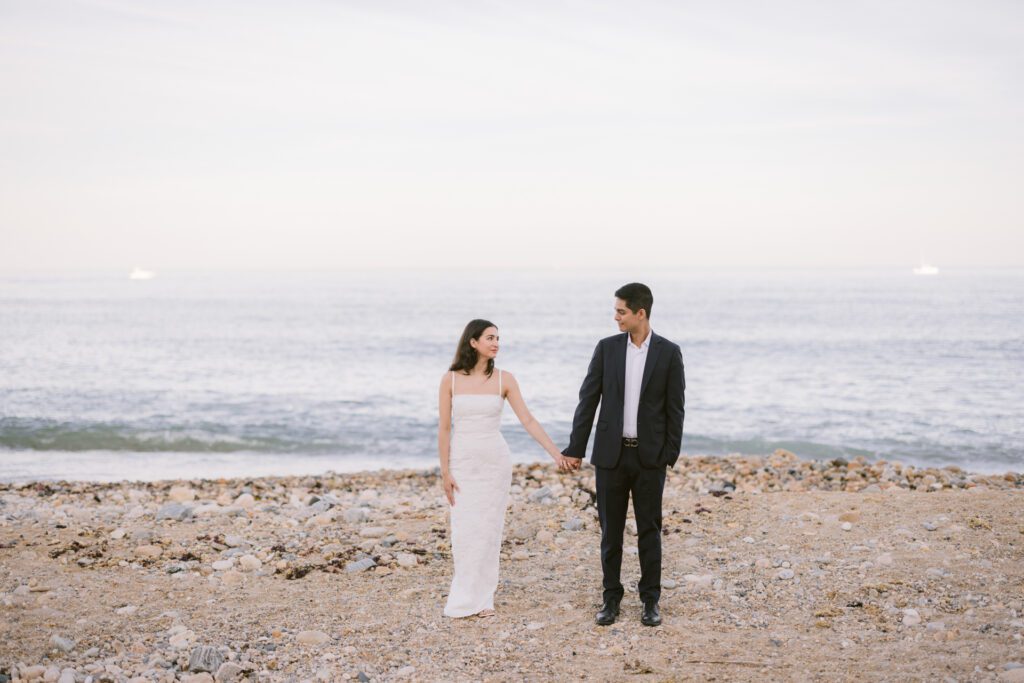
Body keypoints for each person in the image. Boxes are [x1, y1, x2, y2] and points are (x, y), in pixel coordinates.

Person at [562, 283, 685, 627]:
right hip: (610, 457)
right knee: (610, 532)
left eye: (621, 311)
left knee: (649, 530)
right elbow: (588, 400)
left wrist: (668, 455)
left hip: (649, 459)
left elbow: (676, 409)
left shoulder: (669, 352)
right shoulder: (606, 349)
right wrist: (576, 448)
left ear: (640, 313)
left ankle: (651, 601)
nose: (615, 316)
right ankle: (611, 599)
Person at [438, 319, 571, 618]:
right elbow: (444, 428)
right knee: (464, 530)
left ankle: (484, 599)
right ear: (473, 342)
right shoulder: (450, 380)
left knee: (488, 530)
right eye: (489, 337)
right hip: (462, 462)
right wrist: (444, 471)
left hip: (494, 462)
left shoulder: (504, 379)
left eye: (498, 337)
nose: (496, 342)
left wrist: (556, 454)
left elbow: (528, 421)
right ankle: (463, 595)